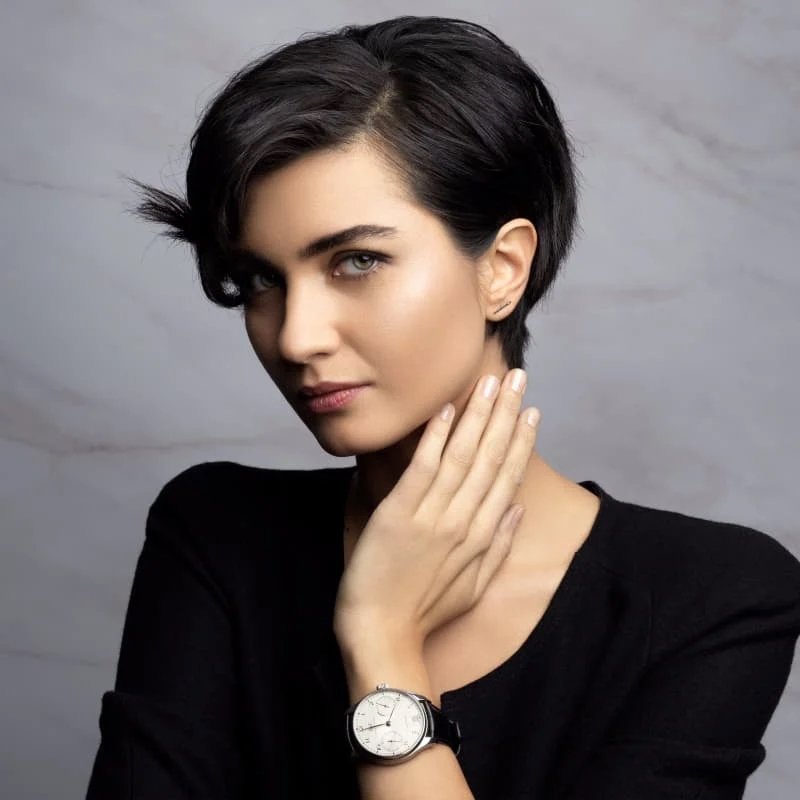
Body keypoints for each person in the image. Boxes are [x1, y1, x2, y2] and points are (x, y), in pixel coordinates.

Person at [86, 14, 800, 800]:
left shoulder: (712, 596)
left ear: (503, 269)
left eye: (357, 260)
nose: (295, 336)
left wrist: (382, 639)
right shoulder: (218, 535)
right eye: (260, 279)